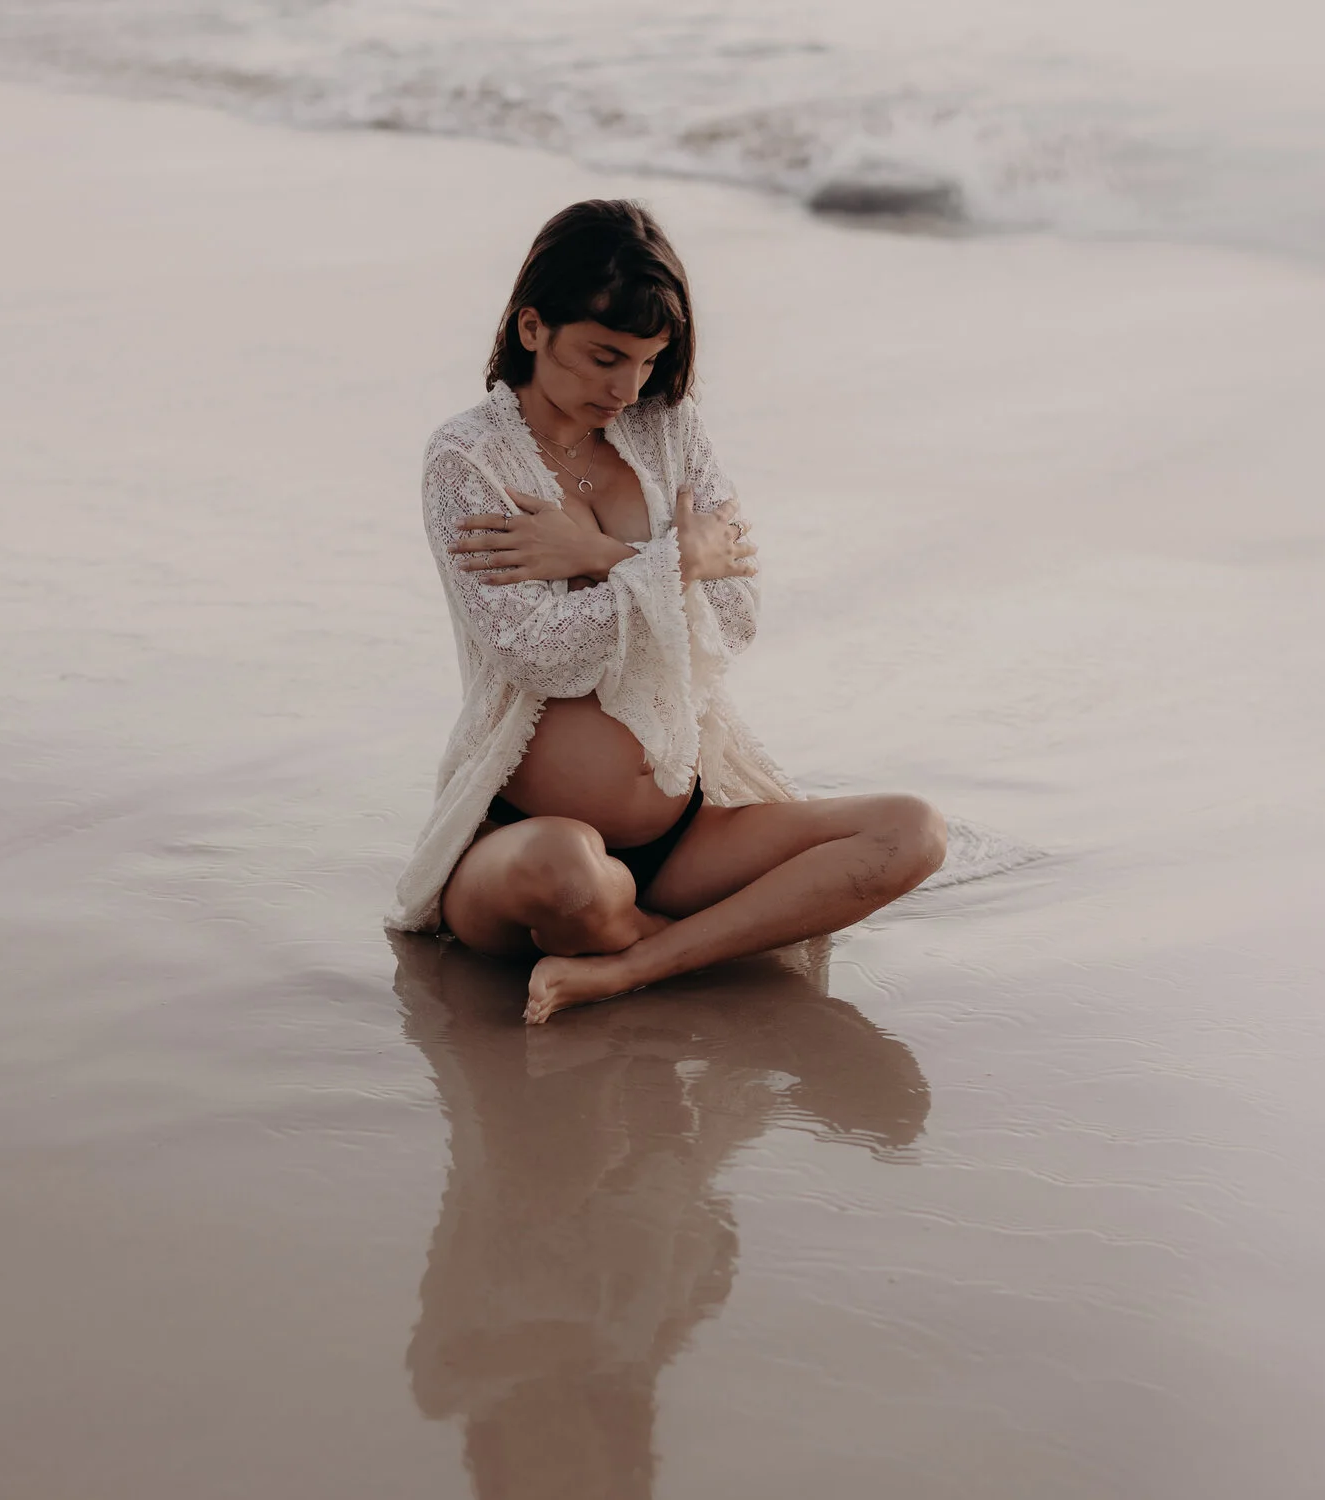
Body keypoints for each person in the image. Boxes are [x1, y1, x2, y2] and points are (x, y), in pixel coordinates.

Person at [387, 199, 947, 1023]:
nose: (627, 388)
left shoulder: (669, 430)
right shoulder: (465, 459)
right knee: (568, 873)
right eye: (604, 356)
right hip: (519, 837)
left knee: (915, 830)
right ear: (533, 327)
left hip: (684, 831)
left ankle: (633, 960)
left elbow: (738, 610)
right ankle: (677, 941)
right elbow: (539, 656)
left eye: (648, 361)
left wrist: (606, 557)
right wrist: (675, 565)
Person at [391, 930, 931, 1500]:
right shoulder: (627, 1333)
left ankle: (664, 917)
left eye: (532, 1494)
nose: (551, 1467)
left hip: (535, 1041)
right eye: (578, 1487)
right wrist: (648, 1333)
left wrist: (641, 1336)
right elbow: (662, 1158)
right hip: (654, 1092)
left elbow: (609, 1201)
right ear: (617, 1467)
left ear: (497, 1490)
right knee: (892, 1108)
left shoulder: (451, 1373)